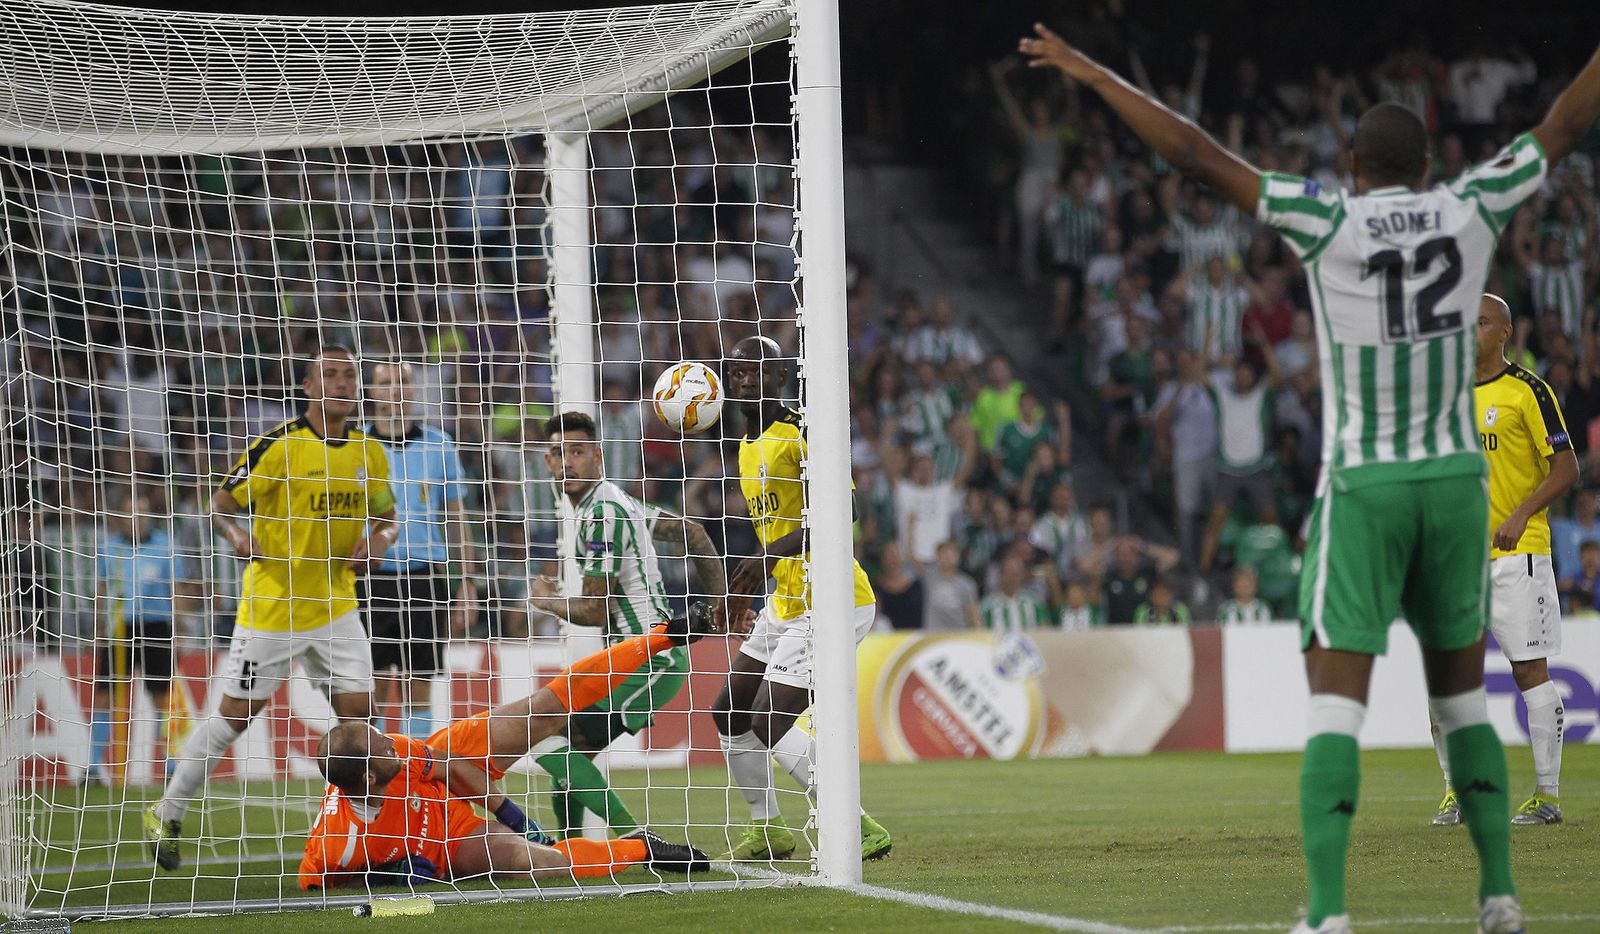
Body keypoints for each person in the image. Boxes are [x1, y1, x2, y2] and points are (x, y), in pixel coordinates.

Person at [1020, 21, 1600, 934]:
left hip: (1365, 482)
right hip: (1455, 484)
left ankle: (1328, 914)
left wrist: (1092, 73)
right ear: (1426, 163)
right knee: (1462, 697)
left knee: (1338, 702)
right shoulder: (1470, 209)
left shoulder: (1326, 215)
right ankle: (1500, 897)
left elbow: (1196, 154)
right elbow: (1565, 124)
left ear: (1351, 161)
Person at [146, 344, 398, 871]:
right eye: (330, 374)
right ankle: (166, 811)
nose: (343, 384)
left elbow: (388, 517)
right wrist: (238, 536)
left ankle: (366, 831)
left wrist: (378, 543)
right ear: (308, 386)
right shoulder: (277, 446)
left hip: (335, 605)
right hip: (273, 608)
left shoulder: (368, 451)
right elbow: (219, 503)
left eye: (351, 375)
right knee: (234, 719)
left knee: (361, 723)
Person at [299, 607, 716, 889]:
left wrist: (510, 812)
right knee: (535, 862)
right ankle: (643, 847)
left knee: (547, 710)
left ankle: (664, 636)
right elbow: (314, 882)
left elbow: (448, 765)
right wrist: (387, 876)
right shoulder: (339, 841)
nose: (393, 743)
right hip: (447, 841)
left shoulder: (400, 751)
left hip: (447, 771)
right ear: (368, 777)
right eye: (384, 749)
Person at [713, 336, 891, 863]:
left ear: (780, 375)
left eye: (758, 370)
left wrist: (767, 555)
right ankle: (768, 829)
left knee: (770, 720)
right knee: (729, 712)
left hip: (834, 598)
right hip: (787, 600)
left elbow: (846, 508)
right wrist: (754, 574)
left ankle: (856, 824)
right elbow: (778, 525)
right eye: (738, 370)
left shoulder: (801, 429)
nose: (747, 378)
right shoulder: (745, 444)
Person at [528, 410, 726, 838]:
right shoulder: (621, 501)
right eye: (559, 454)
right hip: (632, 659)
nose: (568, 463)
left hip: (649, 660)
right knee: (571, 748)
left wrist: (549, 601)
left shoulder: (603, 511)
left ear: (597, 456)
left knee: (550, 739)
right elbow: (692, 533)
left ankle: (634, 839)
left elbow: (594, 611)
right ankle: (573, 848)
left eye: (578, 452)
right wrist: (721, 605)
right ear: (547, 462)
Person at [1431, 295, 1578, 828]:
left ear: (1505, 333)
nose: (1470, 330)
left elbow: (1566, 467)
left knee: (1528, 670)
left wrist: (1520, 514)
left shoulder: (1529, 391)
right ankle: (1457, 793)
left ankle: (1547, 795)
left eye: (1482, 322)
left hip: (1518, 556)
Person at [361, 362, 479, 740]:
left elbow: (457, 518)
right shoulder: (356, 447)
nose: (394, 389)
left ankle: (415, 772)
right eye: (385, 383)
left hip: (424, 576)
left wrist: (466, 581)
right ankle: (373, 776)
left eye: (402, 382)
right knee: (374, 684)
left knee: (418, 682)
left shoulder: (439, 445)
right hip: (371, 577)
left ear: (413, 390)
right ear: (372, 392)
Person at [88, 489, 197, 785]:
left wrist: (180, 630)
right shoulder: (109, 548)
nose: (137, 519)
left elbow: (176, 590)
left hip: (156, 627)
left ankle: (172, 763)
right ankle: (93, 766)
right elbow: (102, 589)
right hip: (120, 628)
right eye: (131, 512)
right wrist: (99, 628)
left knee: (162, 698)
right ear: (121, 517)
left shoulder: (166, 546)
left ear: (150, 516)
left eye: (142, 512)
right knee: (105, 697)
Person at [979, 553, 1052, 633]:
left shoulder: (1034, 603)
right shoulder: (986, 606)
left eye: (1016, 574)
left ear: (1022, 576)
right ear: (1000, 575)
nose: (1013, 578)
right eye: (1009, 573)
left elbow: (1045, 629)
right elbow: (980, 632)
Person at [922, 540, 980, 631]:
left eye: (951, 554)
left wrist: (978, 636)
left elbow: (974, 614)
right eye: (943, 554)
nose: (947, 558)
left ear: (958, 557)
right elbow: (911, 556)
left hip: (957, 636)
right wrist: (911, 529)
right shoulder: (929, 577)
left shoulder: (966, 583)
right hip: (932, 635)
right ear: (937, 557)